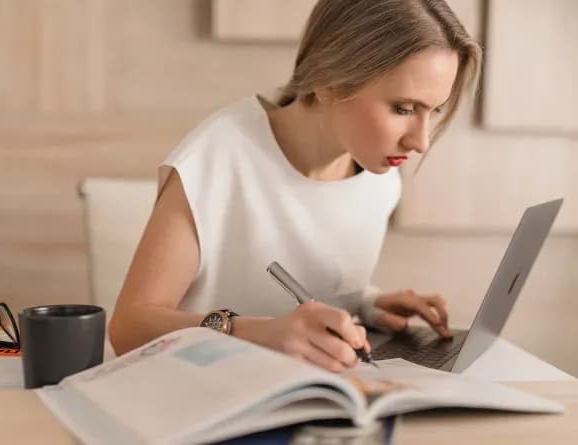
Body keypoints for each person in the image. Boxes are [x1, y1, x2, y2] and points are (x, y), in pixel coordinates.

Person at [109, 0, 482, 373]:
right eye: (403, 109)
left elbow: (313, 293)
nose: (421, 142)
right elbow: (128, 328)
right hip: (202, 393)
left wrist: (369, 304)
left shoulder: (379, 180)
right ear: (330, 83)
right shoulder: (218, 156)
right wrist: (261, 333)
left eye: (432, 111)